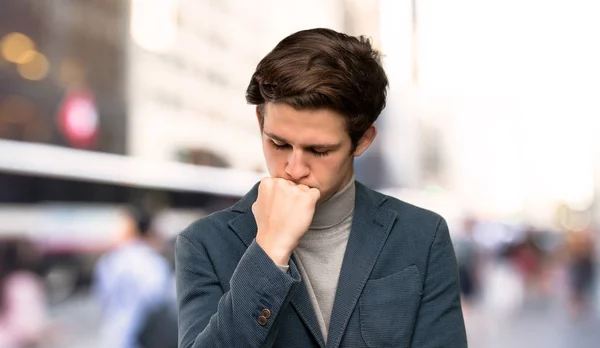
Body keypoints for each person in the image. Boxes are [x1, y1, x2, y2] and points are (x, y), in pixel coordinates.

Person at [175, 28, 467, 348]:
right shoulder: (203, 243)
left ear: (362, 141)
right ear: (261, 121)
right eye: (279, 143)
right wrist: (269, 252)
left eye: (318, 150)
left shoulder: (423, 236)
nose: (294, 169)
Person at [93, 207, 176, 348]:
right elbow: (159, 301)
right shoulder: (154, 262)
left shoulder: (110, 260)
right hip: (141, 338)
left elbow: (102, 297)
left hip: (112, 336)